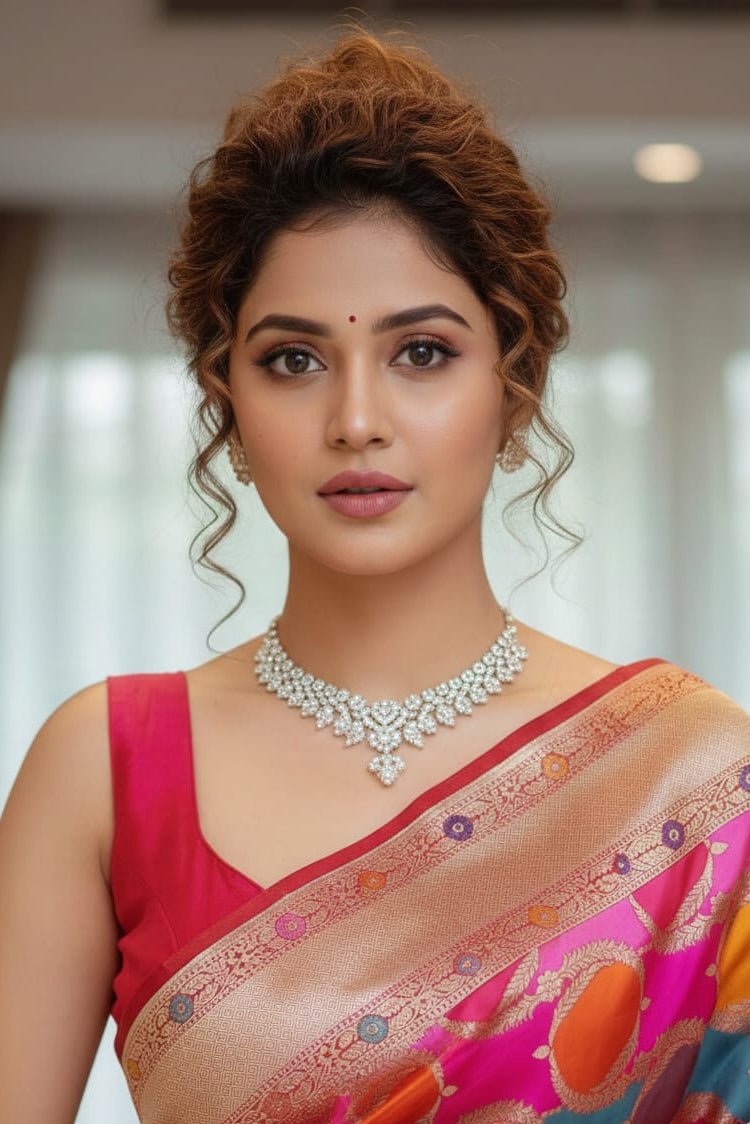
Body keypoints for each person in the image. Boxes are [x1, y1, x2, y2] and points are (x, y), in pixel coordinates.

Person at [1, 27, 750, 1124]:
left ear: (514, 385)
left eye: (422, 352)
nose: (356, 419)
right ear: (227, 402)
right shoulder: (104, 768)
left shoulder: (695, 777)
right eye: (293, 359)